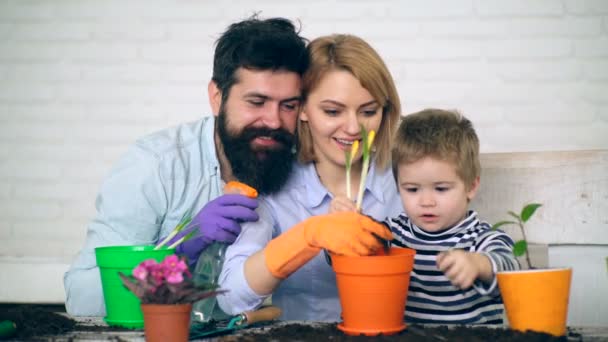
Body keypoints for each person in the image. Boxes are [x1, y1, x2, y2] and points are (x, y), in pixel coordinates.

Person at [63, 15, 309, 317]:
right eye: (256, 102)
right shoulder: (155, 166)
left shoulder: (305, 165)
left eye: (289, 106)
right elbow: (82, 298)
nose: (273, 121)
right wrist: (178, 253)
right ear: (217, 98)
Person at [218, 34, 404, 321]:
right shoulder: (274, 183)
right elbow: (231, 298)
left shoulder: (406, 180)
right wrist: (308, 237)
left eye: (369, 111)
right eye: (332, 111)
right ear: (302, 109)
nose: (354, 127)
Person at [386, 108, 520, 324]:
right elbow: (352, 252)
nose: (426, 201)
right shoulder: (393, 235)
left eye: (441, 189)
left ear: (471, 186)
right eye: (412, 189)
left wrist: (479, 264)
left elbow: (511, 270)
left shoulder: (482, 238)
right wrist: (346, 227)